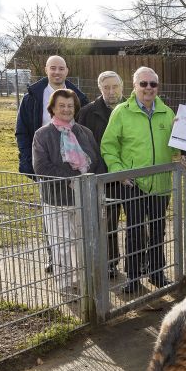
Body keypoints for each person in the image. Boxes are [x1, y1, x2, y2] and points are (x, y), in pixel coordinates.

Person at [102, 67, 178, 294]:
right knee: (135, 230)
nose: (148, 88)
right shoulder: (121, 112)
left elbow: (176, 147)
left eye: (153, 84)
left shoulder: (168, 113)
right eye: (143, 84)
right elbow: (108, 145)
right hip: (132, 183)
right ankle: (133, 277)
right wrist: (118, 171)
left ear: (158, 87)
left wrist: (182, 153)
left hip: (161, 183)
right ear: (134, 86)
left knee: (158, 229)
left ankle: (156, 272)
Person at [16, 55, 89, 274]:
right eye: (53, 68)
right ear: (46, 70)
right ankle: (54, 256)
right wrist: (29, 163)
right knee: (51, 212)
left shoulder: (79, 97)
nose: (57, 72)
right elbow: (22, 130)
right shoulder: (33, 96)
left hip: (75, 164)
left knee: (76, 214)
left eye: (61, 68)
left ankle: (78, 261)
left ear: (67, 71)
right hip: (46, 163)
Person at [31, 89, 103, 300]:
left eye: (70, 106)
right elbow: (42, 167)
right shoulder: (42, 135)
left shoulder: (84, 133)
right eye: (61, 105)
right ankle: (65, 285)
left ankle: (85, 281)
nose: (66, 109)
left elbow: (97, 161)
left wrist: (90, 180)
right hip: (57, 199)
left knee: (84, 242)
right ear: (52, 108)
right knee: (61, 243)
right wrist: (72, 179)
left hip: (85, 199)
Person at [76, 71, 124, 278]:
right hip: (104, 177)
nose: (111, 91)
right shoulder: (88, 112)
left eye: (115, 86)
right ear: (100, 88)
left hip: (132, 172)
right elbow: (81, 144)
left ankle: (139, 262)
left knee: (138, 221)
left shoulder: (131, 107)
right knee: (108, 222)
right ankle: (110, 262)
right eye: (107, 87)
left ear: (122, 86)